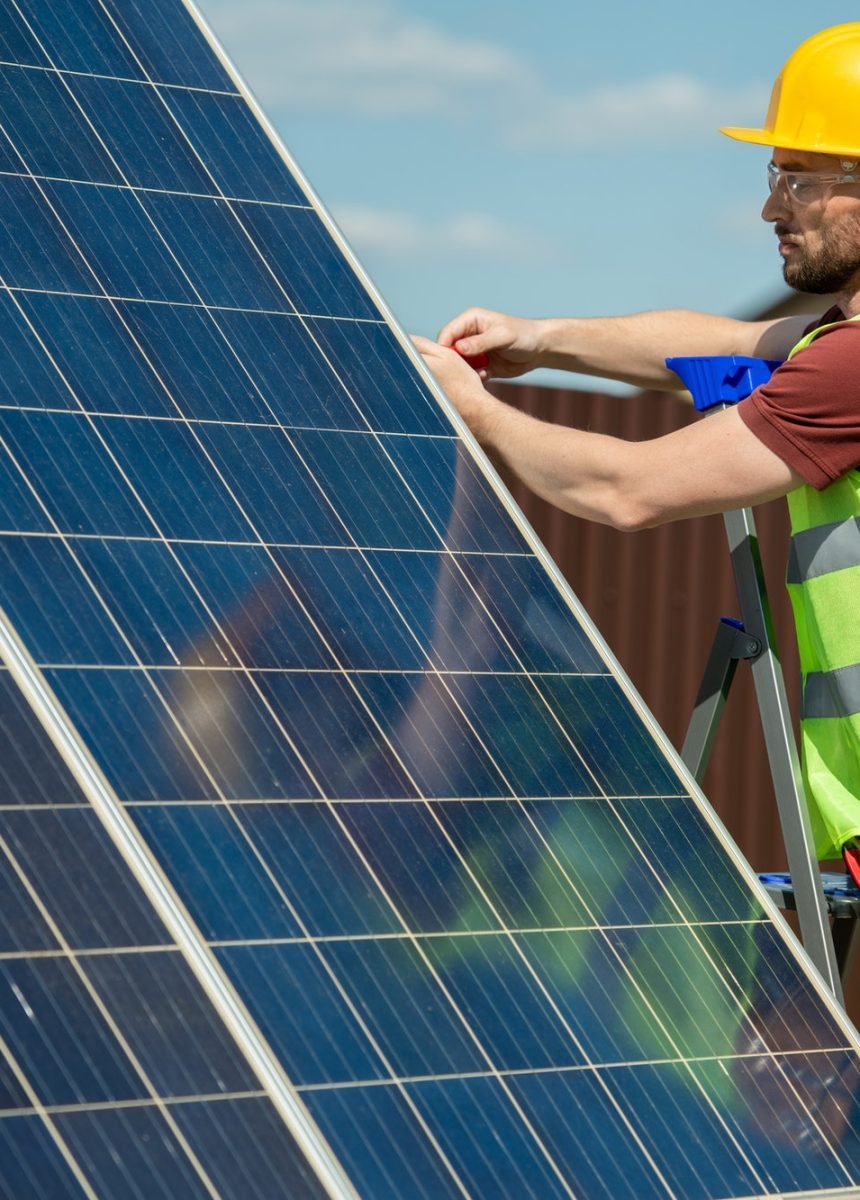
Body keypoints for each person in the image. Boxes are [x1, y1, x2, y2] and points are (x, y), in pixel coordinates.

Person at [414, 23, 860, 874]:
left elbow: (630, 490)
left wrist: (479, 412)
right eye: (776, 176)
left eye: (799, 180)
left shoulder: (850, 370)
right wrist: (541, 338)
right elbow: (721, 345)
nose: (772, 208)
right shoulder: (836, 345)